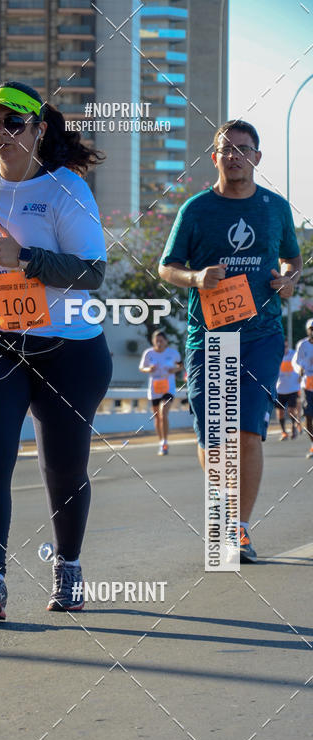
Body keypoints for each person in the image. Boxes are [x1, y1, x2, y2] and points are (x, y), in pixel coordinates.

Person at [0, 81, 111, 619]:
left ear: (39, 129)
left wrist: (24, 257)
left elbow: (93, 272)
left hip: (69, 347)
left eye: (13, 123)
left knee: (63, 468)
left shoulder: (66, 190)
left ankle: (69, 565)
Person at [158, 119, 302, 563]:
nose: (234, 155)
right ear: (214, 156)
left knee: (248, 432)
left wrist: (288, 281)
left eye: (243, 148)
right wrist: (196, 277)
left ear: (256, 157)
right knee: (215, 438)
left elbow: (293, 261)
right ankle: (226, 511)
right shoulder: (197, 210)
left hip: (261, 335)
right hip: (210, 337)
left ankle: (234, 529)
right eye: (226, 149)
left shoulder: (276, 208)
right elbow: (167, 267)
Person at [138, 330, 183, 455]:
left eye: (161, 340)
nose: (158, 342)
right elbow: (142, 367)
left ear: (166, 341)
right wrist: (149, 369)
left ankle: (165, 442)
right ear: (153, 341)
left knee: (164, 413)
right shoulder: (148, 353)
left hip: (169, 388)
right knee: (157, 417)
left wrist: (173, 370)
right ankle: (161, 441)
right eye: (156, 340)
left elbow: (180, 366)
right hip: (154, 388)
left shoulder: (173, 353)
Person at [293, 318, 313, 458]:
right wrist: (298, 368)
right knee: (308, 416)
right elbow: (295, 361)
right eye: (311, 329)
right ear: (307, 330)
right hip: (307, 385)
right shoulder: (302, 345)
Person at [275, 339, 300, 440]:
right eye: (282, 347)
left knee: (291, 410)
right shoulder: (276, 356)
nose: (284, 349)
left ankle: (293, 428)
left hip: (293, 388)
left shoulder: (294, 354)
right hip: (279, 389)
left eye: (285, 346)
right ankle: (284, 432)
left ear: (288, 346)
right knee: (280, 411)